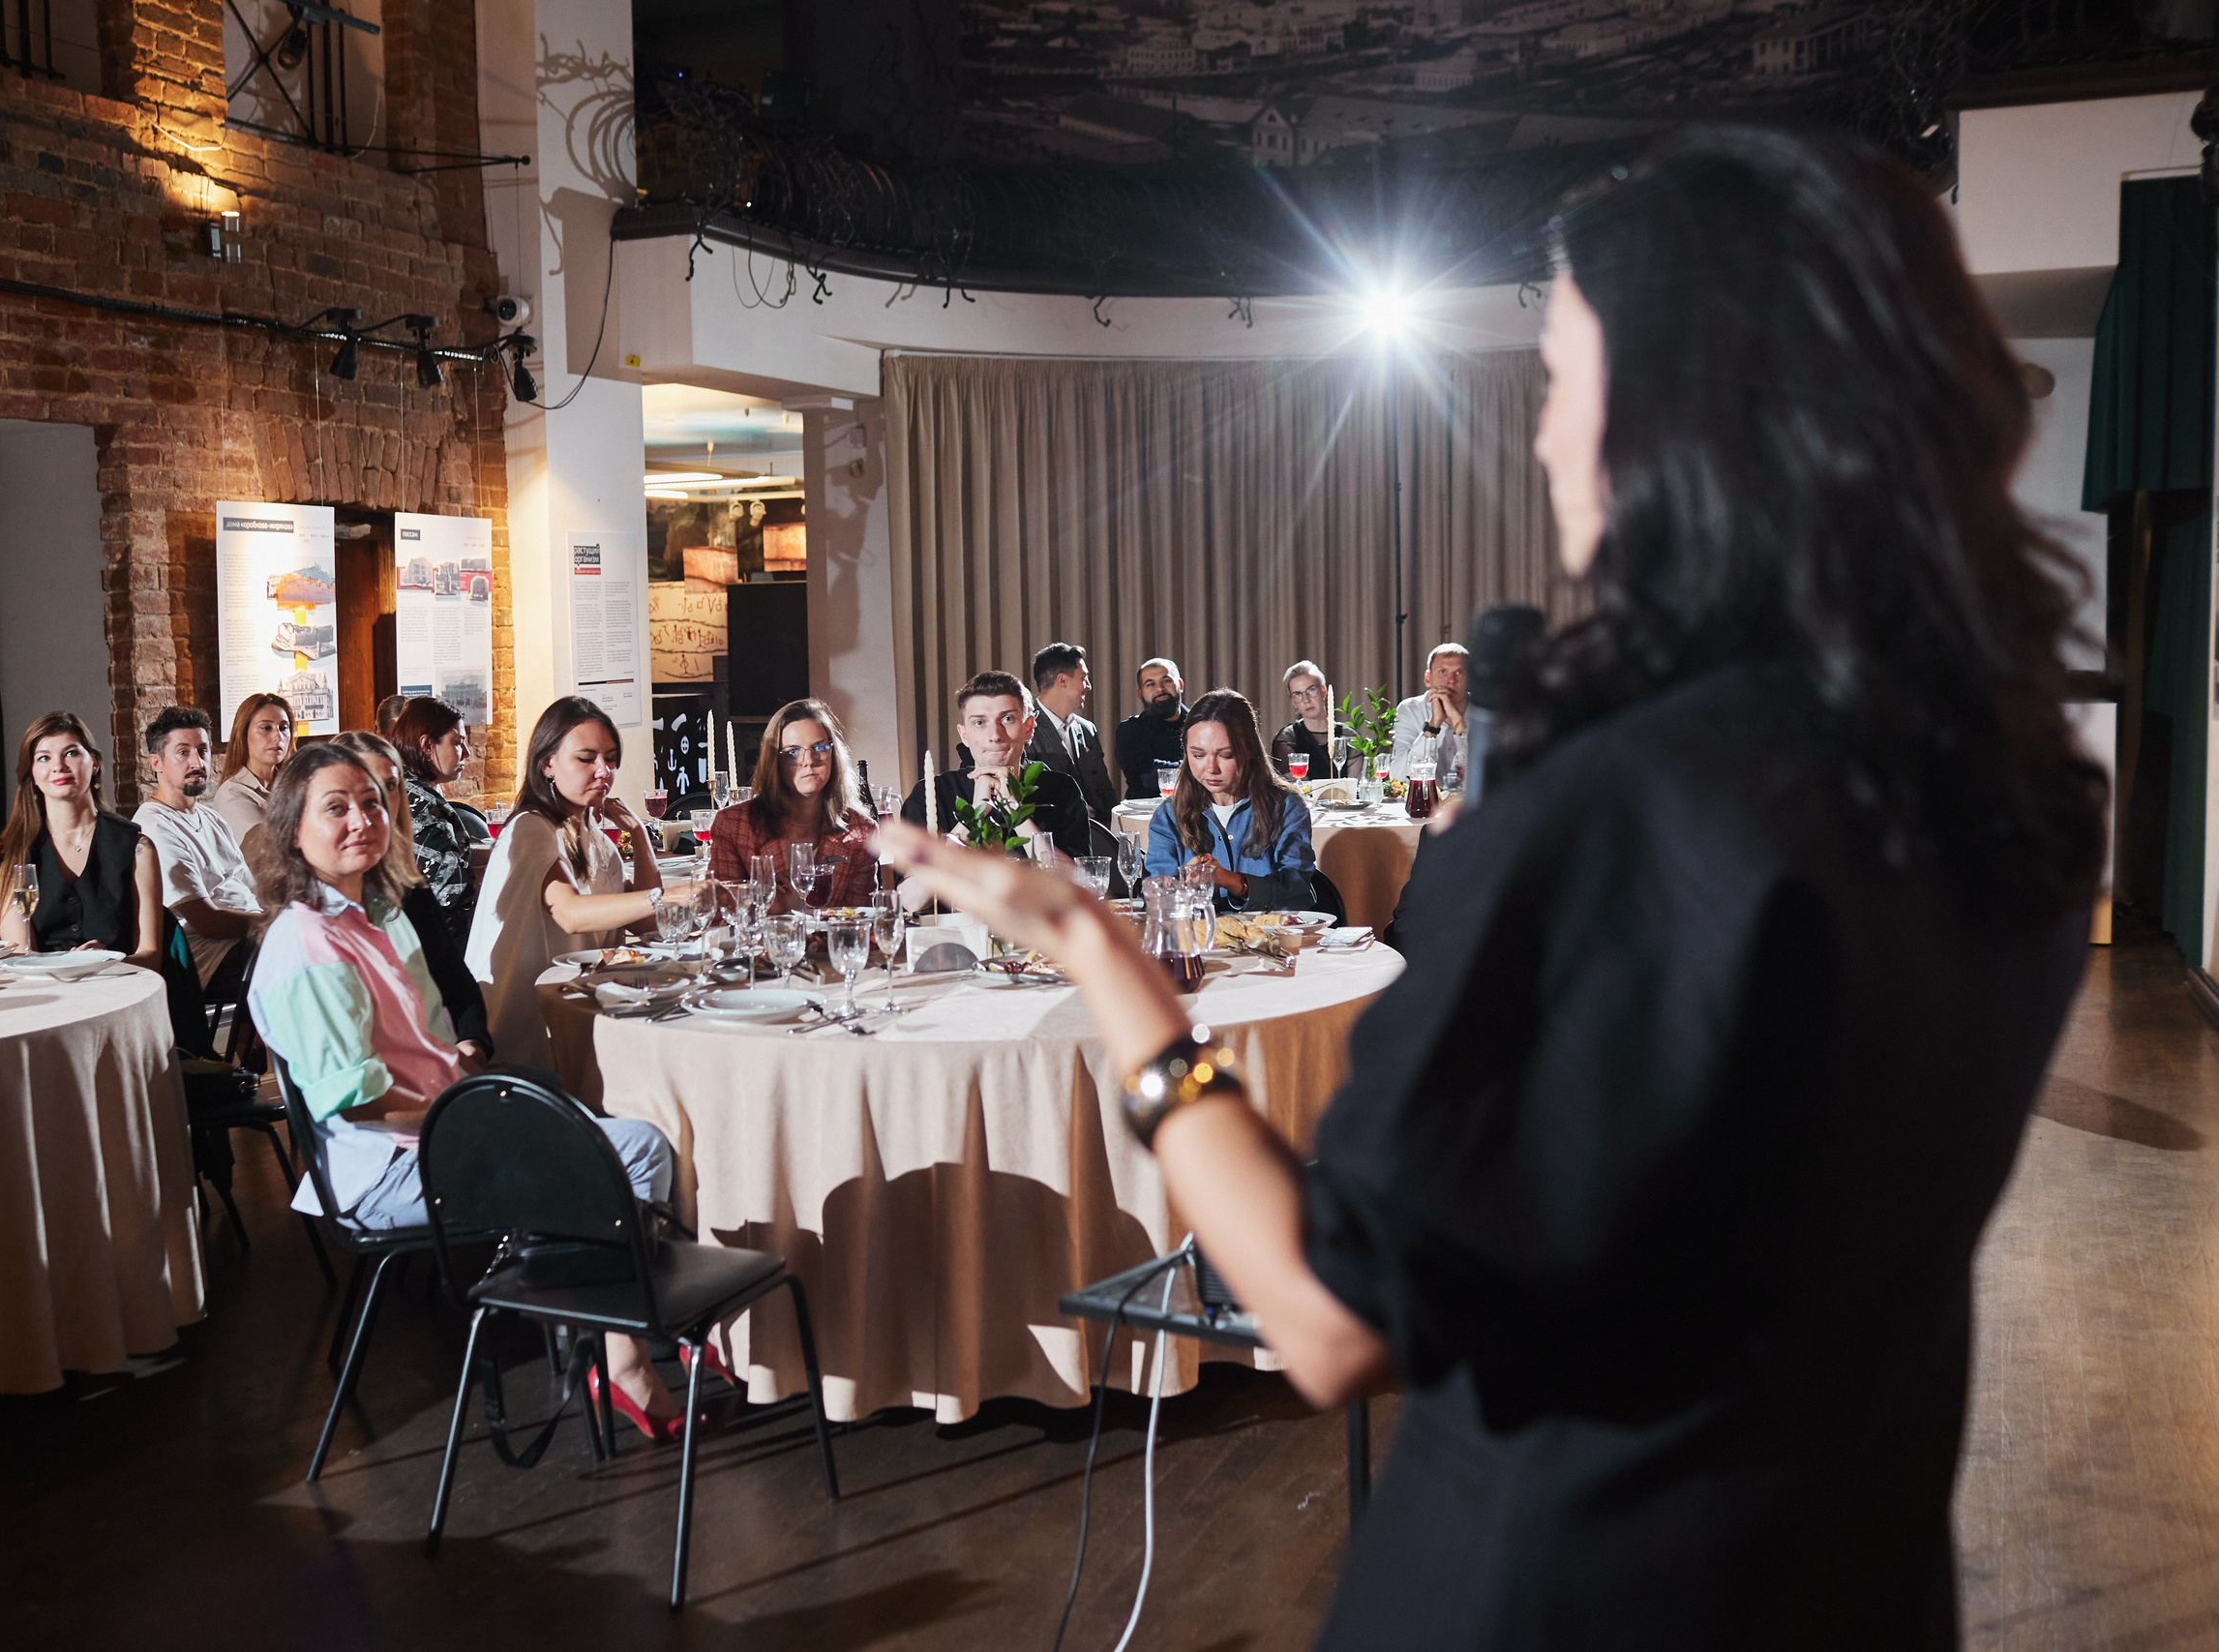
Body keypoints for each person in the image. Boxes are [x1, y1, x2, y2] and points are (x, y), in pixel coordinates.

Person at [878, 127, 2104, 1650]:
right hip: (1845, 1566)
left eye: (1564, 383)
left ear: (1680, 417)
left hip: (1568, 1580)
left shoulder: (1633, 795)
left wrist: (1102, 958)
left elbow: (1328, 1315)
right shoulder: (2019, 782)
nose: (1544, 441)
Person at [246, 742, 686, 1431]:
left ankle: (607, 1330)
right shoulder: (308, 941)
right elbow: (356, 1097)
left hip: (430, 1134)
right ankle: (622, 1351)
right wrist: (482, 1112)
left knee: (621, 1130)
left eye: (370, 801)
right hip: (390, 1167)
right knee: (632, 1149)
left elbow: (425, 1043)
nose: (362, 818)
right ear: (292, 831)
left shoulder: (364, 917)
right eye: (335, 807)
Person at [466, 697, 689, 1069]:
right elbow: (570, 913)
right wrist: (672, 895)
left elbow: (647, 923)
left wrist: (639, 834)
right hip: (524, 1034)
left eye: (611, 758)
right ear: (547, 764)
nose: (604, 770)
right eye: (587, 759)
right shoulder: (530, 827)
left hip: (577, 1015)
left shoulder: (599, 842)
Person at [333, 729, 494, 1065]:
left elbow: (457, 983)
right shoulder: (324, 907)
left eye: (390, 786)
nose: (380, 801)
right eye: (364, 788)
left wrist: (471, 1045)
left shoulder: (409, 886)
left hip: (440, 1063)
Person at [0, 711, 164, 968]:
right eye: (44, 758)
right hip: (44, 995)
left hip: (118, 989)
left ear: (93, 763)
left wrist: (107, 962)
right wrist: (72, 963)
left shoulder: (138, 847)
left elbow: (151, 956)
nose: (58, 766)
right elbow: (19, 956)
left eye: (71, 753)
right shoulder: (9, 853)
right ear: (32, 774)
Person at [1146, 690, 1315, 913]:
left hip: (1270, 941)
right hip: (1198, 941)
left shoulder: (1286, 807)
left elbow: (1296, 895)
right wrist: (1175, 889)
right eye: (1198, 756)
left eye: (1226, 756)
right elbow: (1158, 901)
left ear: (1250, 751)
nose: (1211, 769)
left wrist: (1233, 881)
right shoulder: (1169, 815)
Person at [132, 706, 263, 990]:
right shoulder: (153, 825)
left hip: (250, 940)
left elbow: (251, 889)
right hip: (206, 957)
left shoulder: (210, 817)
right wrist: (276, 923)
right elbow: (207, 922)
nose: (197, 762)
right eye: (183, 752)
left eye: (202, 751)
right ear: (157, 763)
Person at [898, 671, 1093, 861]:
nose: (995, 735)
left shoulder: (1062, 791)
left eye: (1007, 719)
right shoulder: (932, 793)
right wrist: (974, 814)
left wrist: (1015, 810)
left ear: (1028, 728)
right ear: (964, 735)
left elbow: (1079, 886)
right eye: (980, 722)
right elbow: (910, 892)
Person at [705, 698, 878, 910]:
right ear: (774, 761)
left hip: (830, 942)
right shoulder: (734, 825)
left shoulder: (861, 831)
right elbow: (718, 912)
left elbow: (860, 919)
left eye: (820, 747)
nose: (809, 760)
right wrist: (769, 905)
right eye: (793, 752)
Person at [392, 695, 491, 947]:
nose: (467, 752)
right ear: (426, 745)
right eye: (458, 743)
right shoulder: (424, 804)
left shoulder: (404, 788)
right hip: (432, 949)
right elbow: (451, 891)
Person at [1024, 642, 1121, 825]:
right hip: (1053, 836)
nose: (1089, 686)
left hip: (1100, 833)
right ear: (1062, 680)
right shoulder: (1026, 731)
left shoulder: (1087, 729)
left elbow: (1104, 790)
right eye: (1084, 678)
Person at [211, 693, 293, 853]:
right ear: (243, 735)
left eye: (284, 728)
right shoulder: (232, 794)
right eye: (265, 728)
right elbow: (267, 854)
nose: (278, 736)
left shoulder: (294, 785)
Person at [1387, 644, 1469, 792]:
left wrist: (1458, 723)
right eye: (1443, 671)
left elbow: (1488, 776)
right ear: (1428, 678)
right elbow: (1399, 777)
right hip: (1424, 804)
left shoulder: (1485, 711)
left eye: (1459, 672)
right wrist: (1432, 726)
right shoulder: (1409, 709)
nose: (1451, 680)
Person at [1272, 660, 1360, 781]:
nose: (1306, 699)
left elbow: (1356, 786)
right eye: (1298, 694)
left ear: (1323, 691)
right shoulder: (1287, 739)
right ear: (1293, 702)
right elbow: (1295, 790)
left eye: (1311, 690)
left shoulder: (1349, 736)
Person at [1113, 657, 1187, 798]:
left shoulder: (1202, 725)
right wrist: (1199, 769)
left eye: (1166, 681)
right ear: (1140, 694)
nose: (1160, 689)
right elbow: (1149, 777)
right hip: (1148, 816)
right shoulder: (1130, 730)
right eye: (1150, 684)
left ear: (1180, 685)